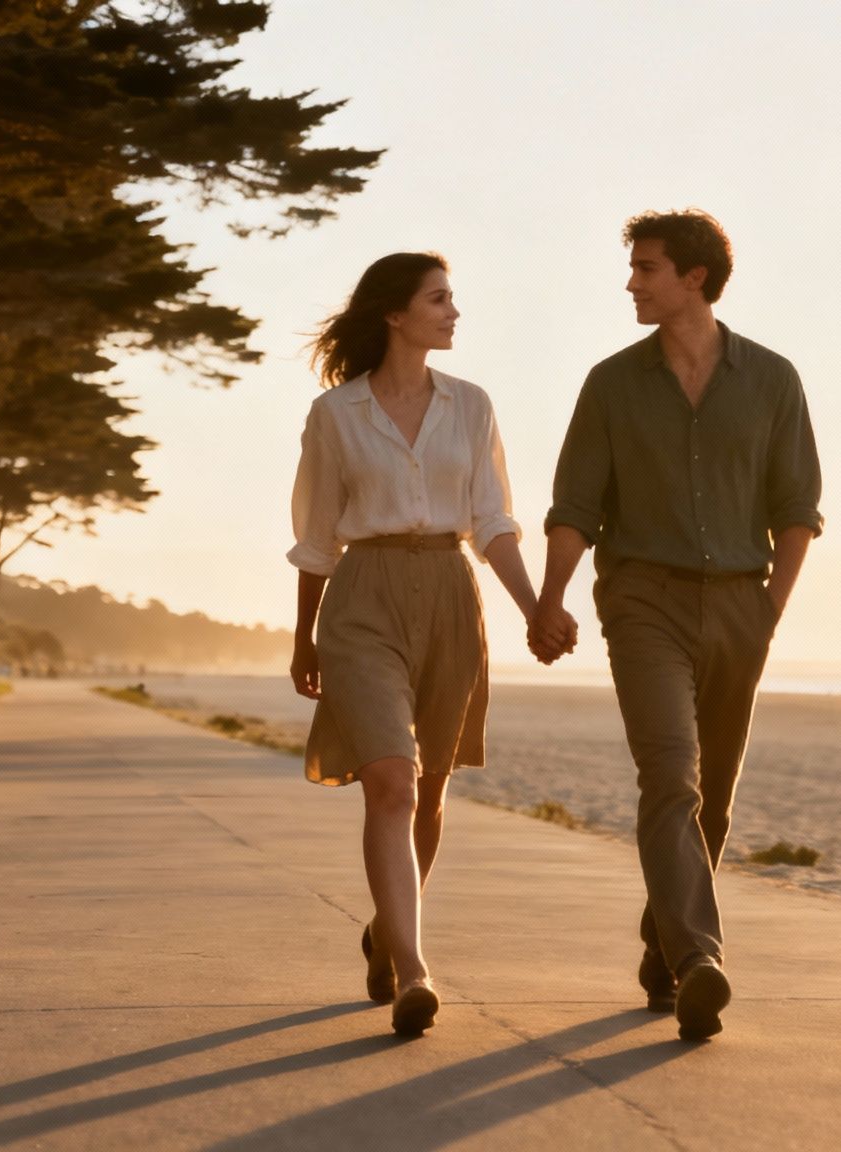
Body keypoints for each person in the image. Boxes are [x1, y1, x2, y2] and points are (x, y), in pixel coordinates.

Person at [530, 210, 823, 1040]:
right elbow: (574, 508)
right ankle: (701, 958)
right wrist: (549, 600)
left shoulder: (772, 379)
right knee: (671, 777)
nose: (632, 283)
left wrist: (770, 612)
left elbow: (797, 509)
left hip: (741, 601)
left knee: (715, 800)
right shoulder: (611, 384)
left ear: (694, 277)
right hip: (643, 601)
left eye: (647, 269)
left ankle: (664, 954)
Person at [288, 252, 555, 1037]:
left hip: (448, 595)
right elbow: (315, 539)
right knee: (391, 782)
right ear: (395, 315)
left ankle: (386, 931)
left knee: (431, 790)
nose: (453, 312)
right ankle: (413, 970)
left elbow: (494, 523)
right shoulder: (335, 415)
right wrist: (303, 638)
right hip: (363, 599)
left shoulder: (471, 406)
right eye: (439, 300)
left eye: (452, 299)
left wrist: (537, 607)